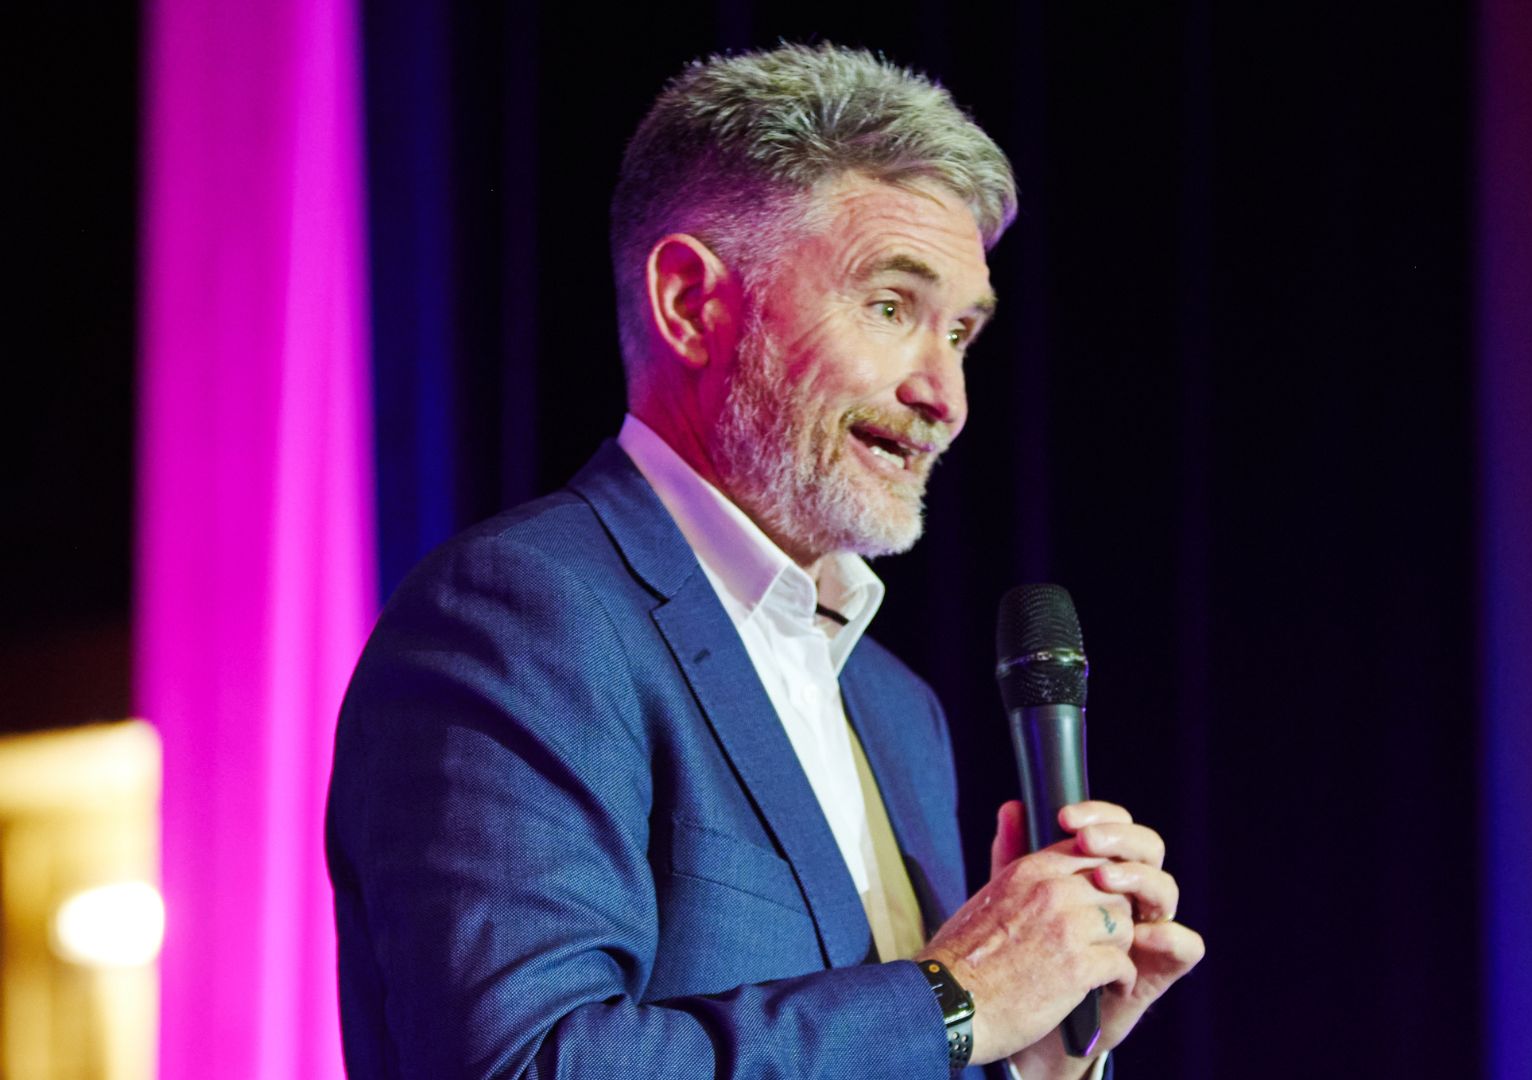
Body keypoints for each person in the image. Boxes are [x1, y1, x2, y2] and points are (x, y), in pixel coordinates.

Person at [326, 43, 1202, 1079]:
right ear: (693, 305)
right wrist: (962, 997)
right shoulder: (523, 616)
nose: (947, 397)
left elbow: (899, 1047)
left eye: (962, 334)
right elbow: (527, 1065)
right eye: (890, 307)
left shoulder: (895, 707)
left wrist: (1034, 1048)